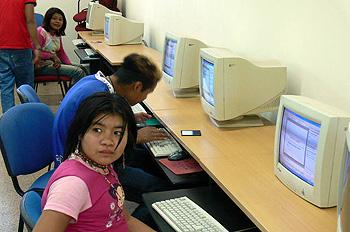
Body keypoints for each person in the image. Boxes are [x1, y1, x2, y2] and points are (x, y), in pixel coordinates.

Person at [52, 53, 171, 227]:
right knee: (162, 191)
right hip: (82, 163)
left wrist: (126, 118)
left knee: (147, 160)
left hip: (77, 156)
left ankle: (120, 220)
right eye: (146, 93)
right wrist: (136, 136)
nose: (144, 99)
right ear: (137, 86)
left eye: (117, 130)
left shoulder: (95, 82)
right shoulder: (98, 95)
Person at [34, 92, 155, 232]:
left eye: (117, 133)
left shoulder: (101, 165)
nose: (108, 141)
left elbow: (123, 218)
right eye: (97, 130)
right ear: (80, 132)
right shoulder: (72, 186)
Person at [0, 0, 41, 113]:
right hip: (21, 46)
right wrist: (37, 47)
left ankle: (9, 122)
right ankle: (29, 119)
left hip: (1, 46)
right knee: (25, 87)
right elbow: (30, 21)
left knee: (5, 87)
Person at [34, 7, 87, 84]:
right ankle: (75, 95)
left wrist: (69, 64)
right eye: (54, 19)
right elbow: (33, 52)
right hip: (40, 66)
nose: (57, 21)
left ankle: (85, 93)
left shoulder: (57, 34)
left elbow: (61, 52)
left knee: (82, 68)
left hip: (52, 63)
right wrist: (52, 56)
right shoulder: (41, 32)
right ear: (48, 19)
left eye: (60, 19)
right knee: (78, 72)